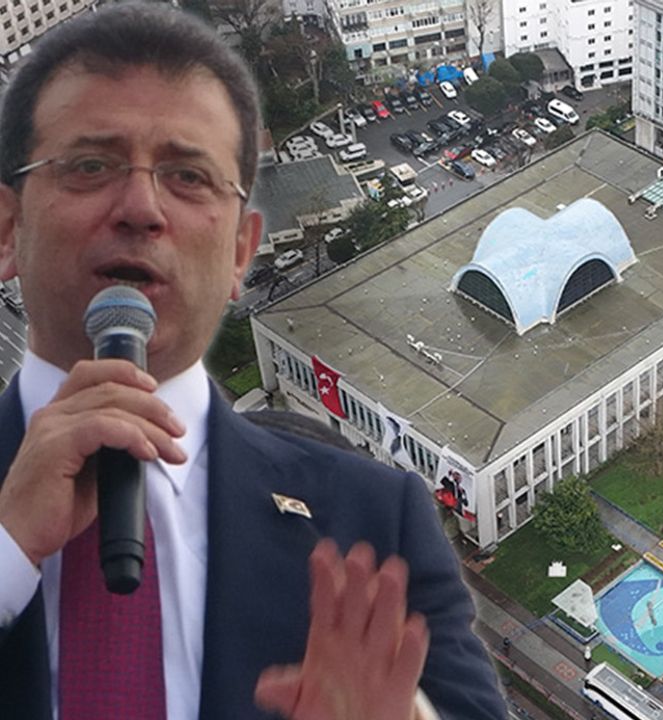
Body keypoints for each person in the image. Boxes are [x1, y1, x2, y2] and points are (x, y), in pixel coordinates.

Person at [0, 4, 505, 720]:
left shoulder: (370, 522)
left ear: (241, 251)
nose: (141, 206)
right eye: (90, 166)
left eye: (188, 176)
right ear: (8, 227)